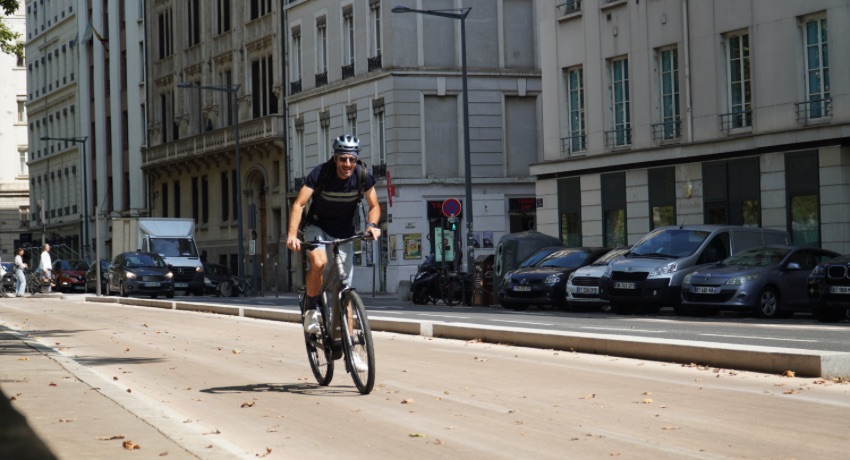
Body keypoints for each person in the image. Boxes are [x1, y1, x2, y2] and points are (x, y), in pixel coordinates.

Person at [287, 135, 382, 337]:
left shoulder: (363, 175)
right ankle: (311, 309)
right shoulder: (321, 173)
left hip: (345, 231)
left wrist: (372, 225)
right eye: (343, 159)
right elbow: (299, 204)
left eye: (352, 159)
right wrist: (292, 235)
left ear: (356, 160)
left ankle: (350, 345)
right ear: (335, 158)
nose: (347, 164)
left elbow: (374, 206)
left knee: (344, 287)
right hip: (317, 226)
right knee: (319, 263)